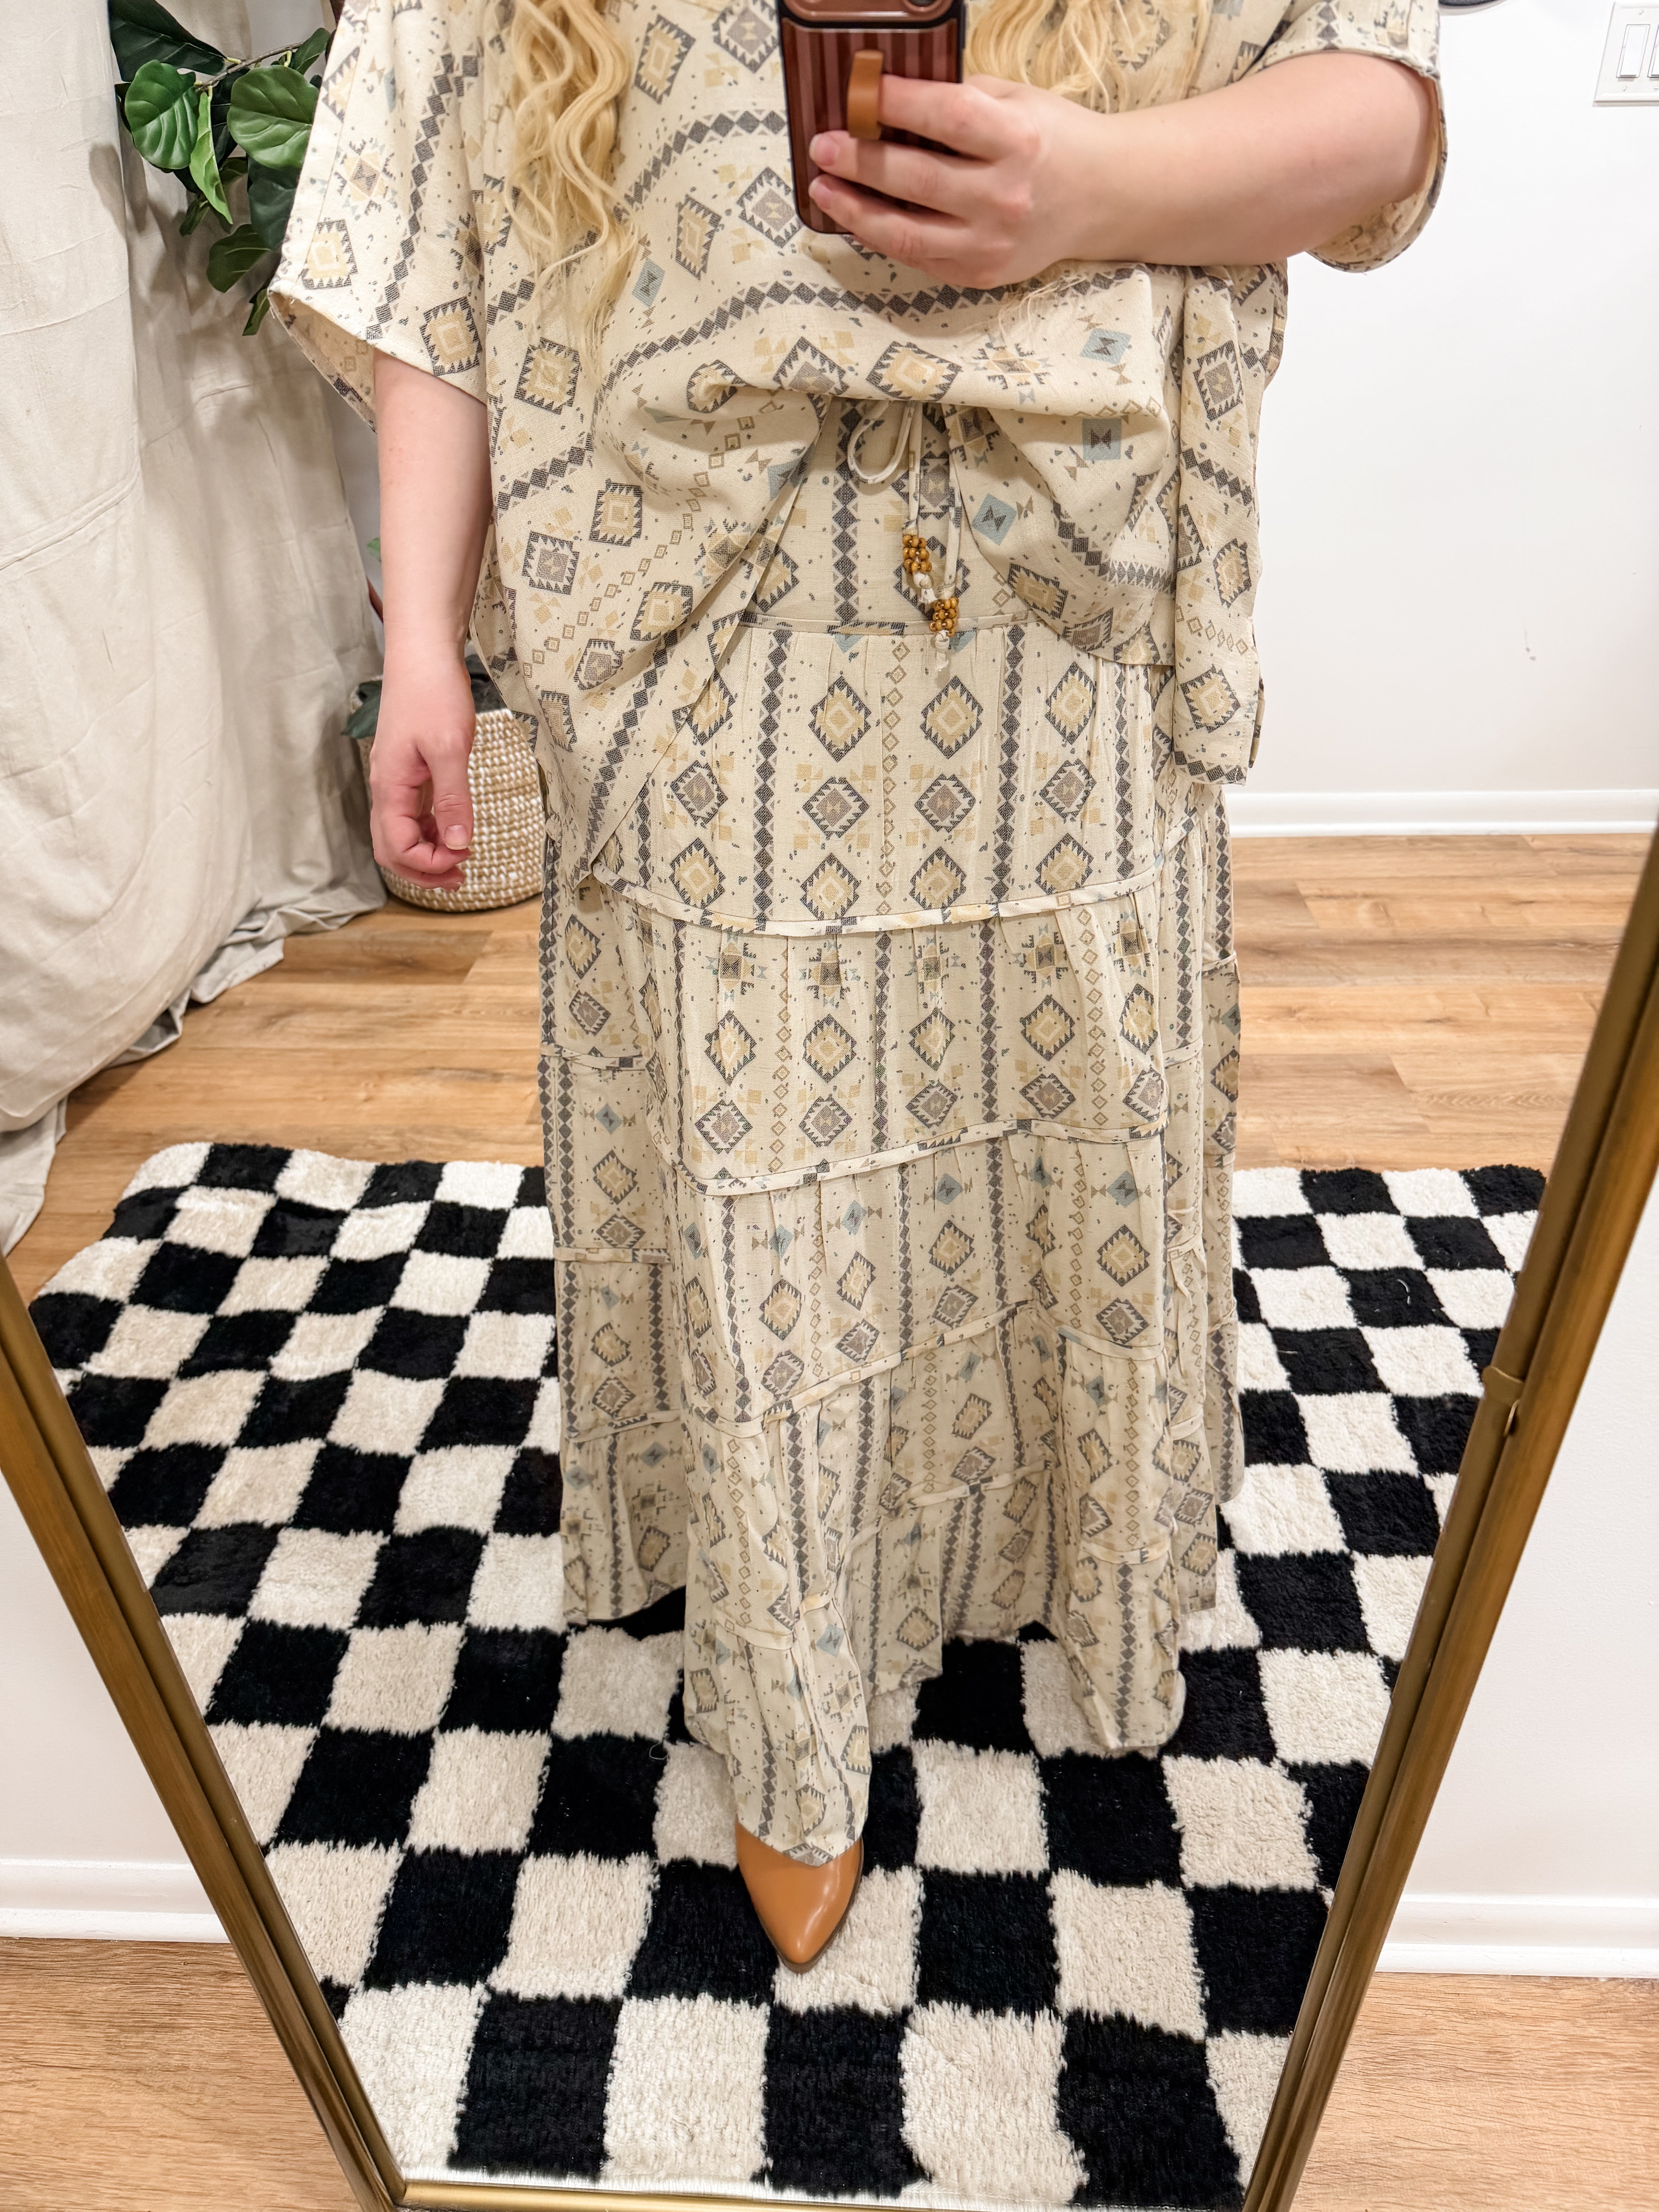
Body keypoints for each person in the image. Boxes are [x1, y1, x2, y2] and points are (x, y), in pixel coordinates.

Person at [273, 0, 1440, 1970]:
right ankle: (795, 1697)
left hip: (1062, 622)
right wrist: (421, 651)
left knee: (1075, 1119)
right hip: (689, 628)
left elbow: (1384, 109)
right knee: (768, 1190)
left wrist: (1090, 184)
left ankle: (1074, 1550)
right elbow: (427, 226)